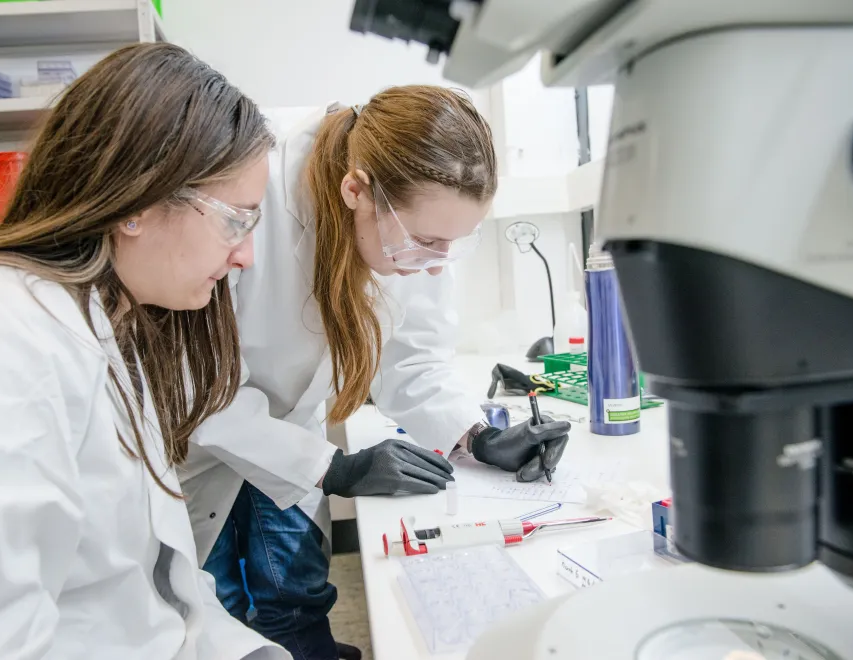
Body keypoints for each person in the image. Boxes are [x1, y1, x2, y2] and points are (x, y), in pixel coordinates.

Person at [0, 43, 289, 660]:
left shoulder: (106, 324)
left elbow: (146, 586)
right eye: (236, 221)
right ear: (138, 204)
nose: (245, 255)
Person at [182, 86, 572, 659]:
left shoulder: (416, 222)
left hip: (290, 425)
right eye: (425, 242)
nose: (436, 262)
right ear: (355, 190)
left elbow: (412, 357)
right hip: (202, 438)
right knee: (210, 603)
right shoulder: (253, 196)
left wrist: (479, 436)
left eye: (452, 245)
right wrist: (332, 468)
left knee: (296, 597)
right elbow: (200, 383)